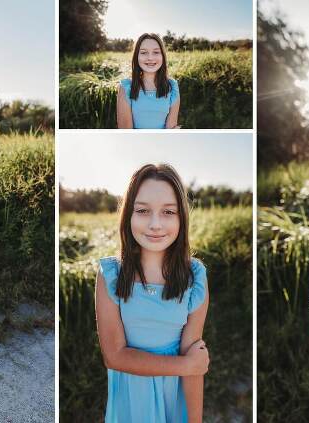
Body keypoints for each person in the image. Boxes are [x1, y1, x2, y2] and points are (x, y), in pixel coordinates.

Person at [95, 163, 208, 422]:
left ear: (182, 218)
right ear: (128, 215)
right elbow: (114, 356)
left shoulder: (195, 276)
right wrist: (186, 365)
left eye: (168, 212)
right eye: (143, 211)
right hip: (130, 401)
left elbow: (195, 360)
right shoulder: (110, 275)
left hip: (174, 396)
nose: (155, 224)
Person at [117, 33, 180, 129]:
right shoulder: (126, 87)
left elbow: (170, 130)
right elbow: (126, 133)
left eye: (156, 52)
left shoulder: (172, 86)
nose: (150, 58)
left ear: (162, 56)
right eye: (143, 52)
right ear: (136, 56)